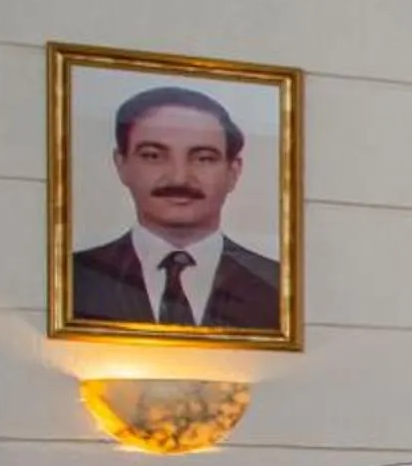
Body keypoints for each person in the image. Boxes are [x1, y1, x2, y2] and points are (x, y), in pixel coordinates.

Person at [68, 84, 283, 332]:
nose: (179, 178)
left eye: (203, 158)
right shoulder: (75, 278)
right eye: (153, 156)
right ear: (121, 164)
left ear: (233, 172)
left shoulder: (279, 285)